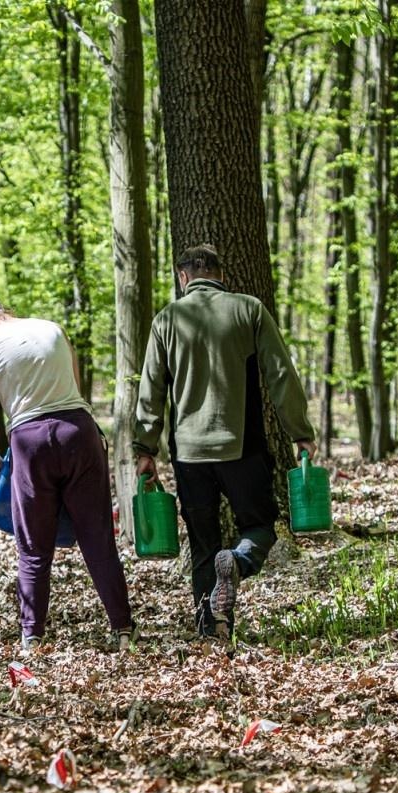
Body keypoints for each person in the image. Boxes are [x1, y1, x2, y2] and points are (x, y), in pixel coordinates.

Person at [132, 244, 316, 638]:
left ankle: (211, 627)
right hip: (242, 446)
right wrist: (300, 433)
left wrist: (144, 448)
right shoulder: (248, 309)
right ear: (220, 274)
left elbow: (150, 392)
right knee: (261, 524)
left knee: (202, 543)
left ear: (182, 277)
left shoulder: (167, 319)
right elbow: (281, 375)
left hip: (188, 452)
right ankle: (237, 560)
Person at [0, 288, 134, 652]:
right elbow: (75, 386)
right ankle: (123, 628)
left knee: (34, 547)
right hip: (79, 433)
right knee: (98, 538)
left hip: (29, 442)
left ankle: (32, 636)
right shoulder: (52, 328)